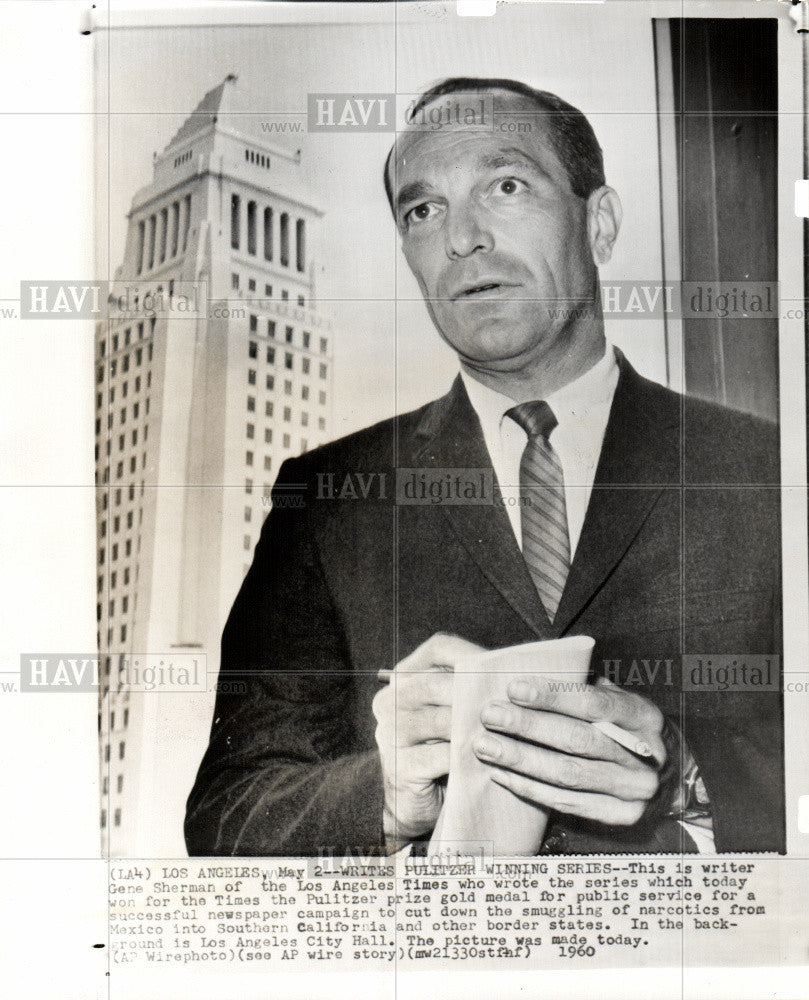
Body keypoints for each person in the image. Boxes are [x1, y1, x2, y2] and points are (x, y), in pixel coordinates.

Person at [185, 78, 783, 857]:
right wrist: (389, 795)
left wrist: (684, 778)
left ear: (598, 223)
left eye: (504, 186)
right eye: (423, 210)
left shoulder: (767, 472)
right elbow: (228, 814)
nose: (461, 237)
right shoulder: (326, 497)